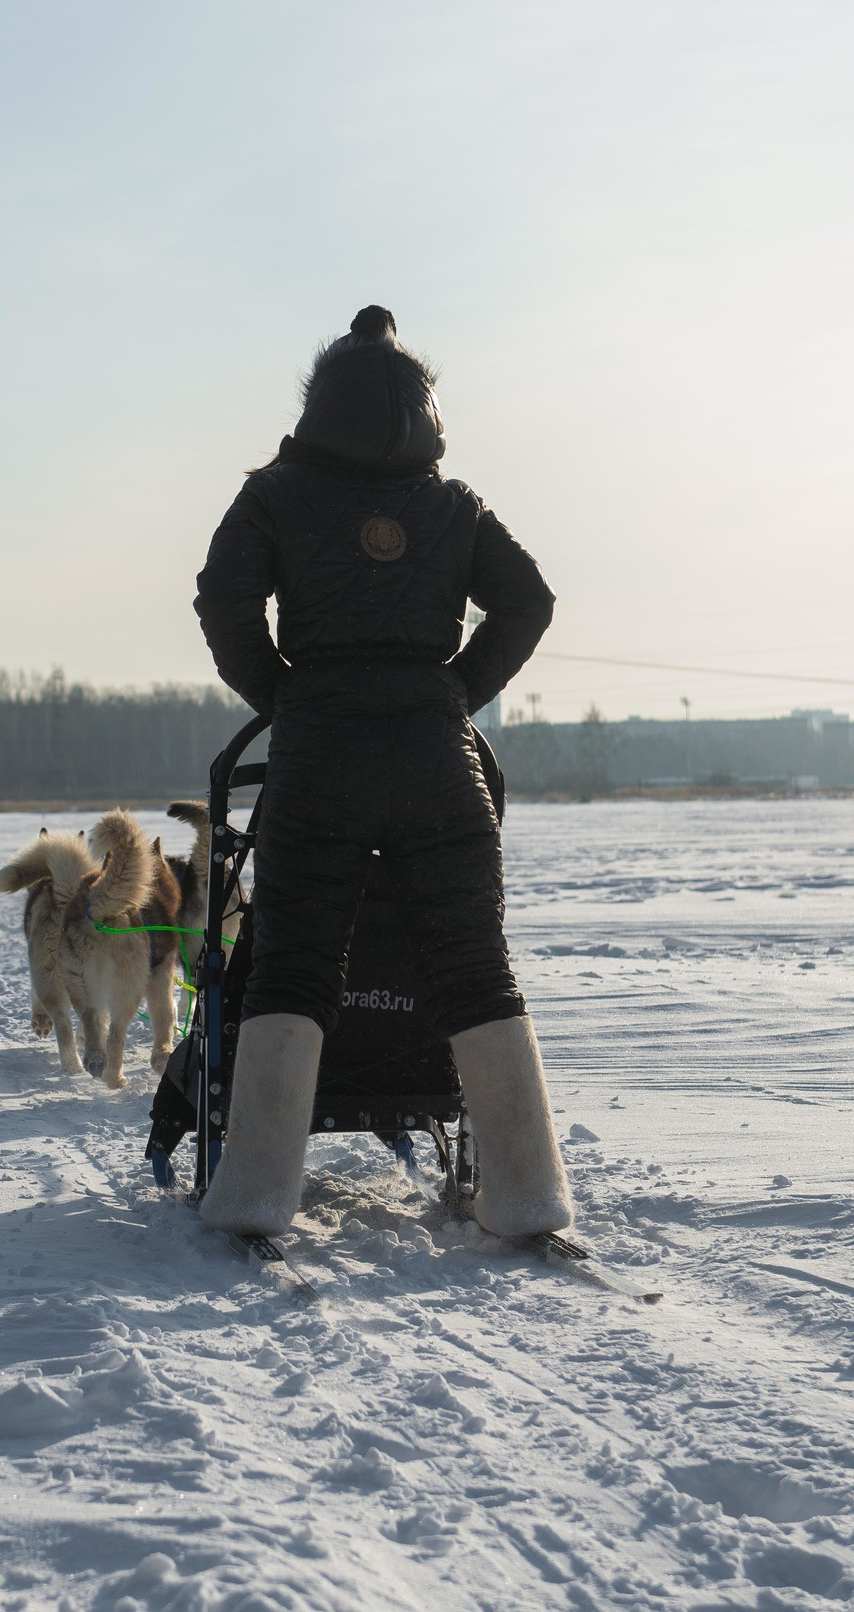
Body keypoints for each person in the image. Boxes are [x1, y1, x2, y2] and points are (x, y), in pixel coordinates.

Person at [191, 305, 572, 1240]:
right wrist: (456, 691)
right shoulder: (453, 505)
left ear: (319, 403)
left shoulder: (276, 495)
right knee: (475, 967)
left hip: (320, 756)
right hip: (439, 762)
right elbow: (528, 600)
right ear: (422, 410)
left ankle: (254, 1194)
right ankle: (527, 1195)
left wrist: (282, 694)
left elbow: (222, 600)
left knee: (293, 965)